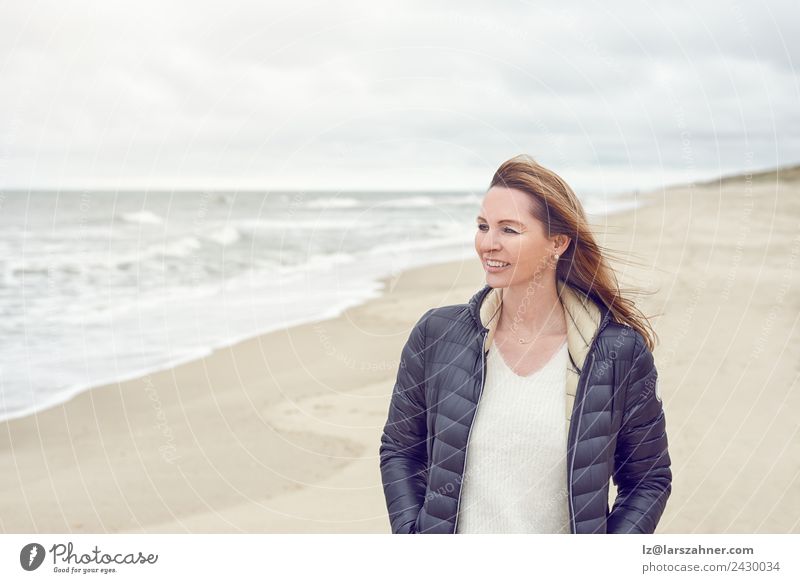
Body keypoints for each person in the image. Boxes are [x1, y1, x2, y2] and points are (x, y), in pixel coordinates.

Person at [378, 154, 672, 534]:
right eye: (483, 226)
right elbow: (400, 451)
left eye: (509, 230)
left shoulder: (617, 354)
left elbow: (648, 480)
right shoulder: (437, 334)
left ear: (558, 243)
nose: (488, 243)